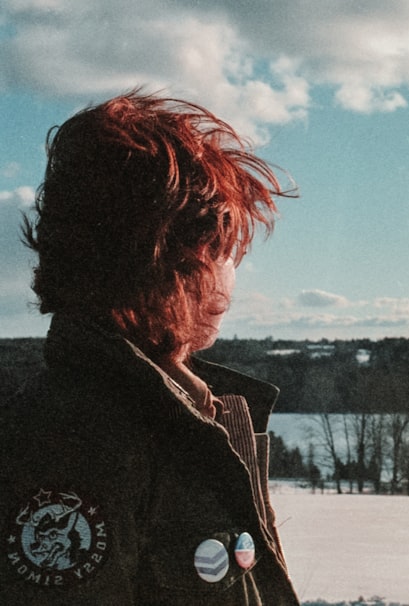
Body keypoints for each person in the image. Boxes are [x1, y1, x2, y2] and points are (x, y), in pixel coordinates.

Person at [0, 91, 300, 604]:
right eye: (225, 251)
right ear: (170, 259)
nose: (233, 274)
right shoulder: (76, 442)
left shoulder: (180, 414)